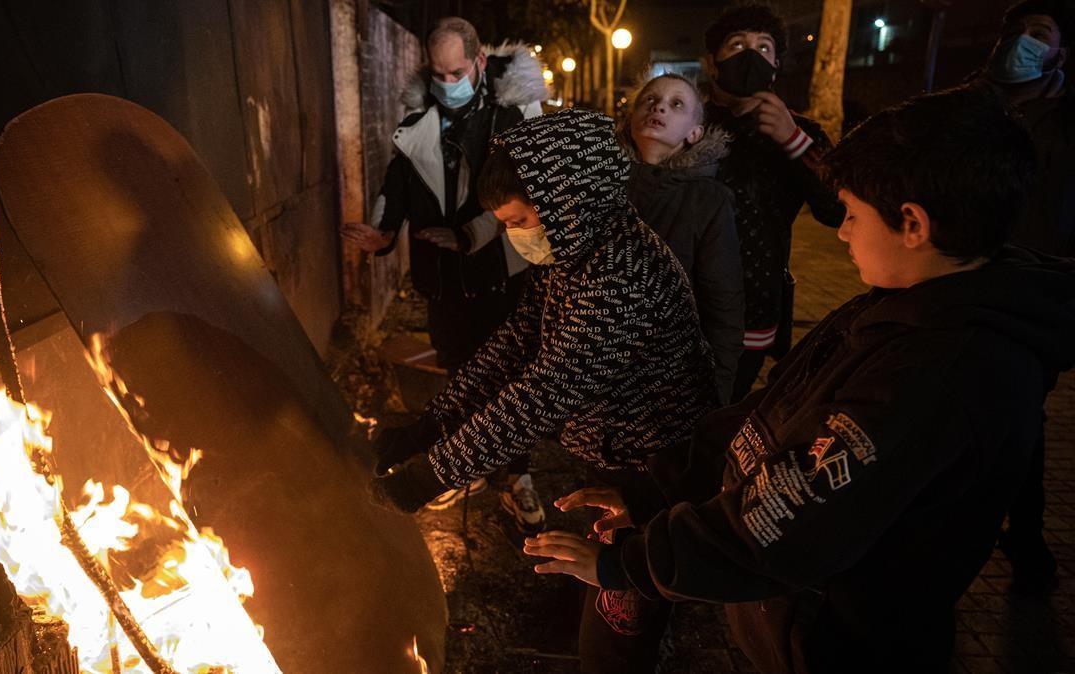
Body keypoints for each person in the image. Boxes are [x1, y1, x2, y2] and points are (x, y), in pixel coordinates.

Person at [525, 85, 1075, 673]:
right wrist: (653, 491)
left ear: (912, 224)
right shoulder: (893, 306)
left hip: (844, 647)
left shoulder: (943, 374)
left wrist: (624, 565)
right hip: (795, 629)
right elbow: (769, 415)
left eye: (854, 215)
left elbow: (789, 516)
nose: (841, 233)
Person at [369, 108, 719, 672]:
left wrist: (429, 474)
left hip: (658, 470)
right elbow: (513, 347)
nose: (514, 235)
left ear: (567, 198)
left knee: (619, 628)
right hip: (617, 455)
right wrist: (425, 428)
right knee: (608, 593)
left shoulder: (620, 274)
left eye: (519, 219)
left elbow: (539, 395)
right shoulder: (575, 253)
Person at [340, 17, 548, 522]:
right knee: (460, 370)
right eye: (438, 73)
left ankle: (516, 474)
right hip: (442, 281)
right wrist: (382, 232)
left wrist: (469, 235)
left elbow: (524, 191)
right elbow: (398, 181)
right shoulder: (418, 121)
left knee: (509, 379)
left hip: (501, 273)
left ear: (479, 62)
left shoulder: (514, 115)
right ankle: (463, 465)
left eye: (457, 71)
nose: (448, 83)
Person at [699, 3, 845, 403]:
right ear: (712, 63)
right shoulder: (687, 124)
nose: (751, 55)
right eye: (737, 45)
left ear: (777, 65)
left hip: (753, 308)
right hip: (683, 306)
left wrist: (792, 139)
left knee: (721, 413)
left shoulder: (802, 134)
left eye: (764, 48)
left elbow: (838, 209)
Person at [979, 0, 1073, 594]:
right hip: (961, 277)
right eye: (1016, 31)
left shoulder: (1069, 121)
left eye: (1039, 34)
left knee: (1017, 413)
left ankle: (1027, 531)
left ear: (1060, 52)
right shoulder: (968, 107)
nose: (1023, 42)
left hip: (1038, 287)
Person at [618, 72, 744, 404]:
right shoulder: (603, 185)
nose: (659, 107)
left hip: (670, 383)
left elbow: (723, 304)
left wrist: (716, 391)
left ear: (694, 133)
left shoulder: (708, 200)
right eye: (650, 99)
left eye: (676, 104)